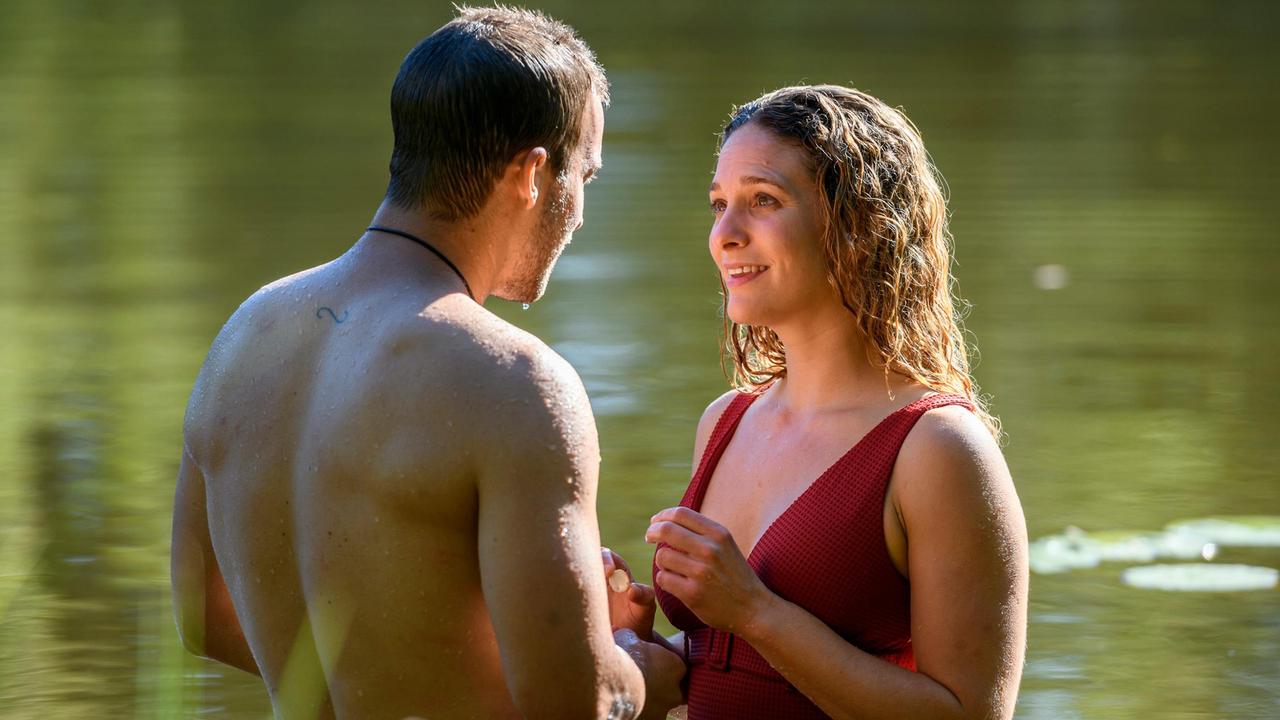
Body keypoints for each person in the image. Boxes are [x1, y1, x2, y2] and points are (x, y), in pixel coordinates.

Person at [169, 7, 684, 719]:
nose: (581, 213)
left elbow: (202, 616)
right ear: (532, 174)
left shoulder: (246, 333)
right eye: (585, 176)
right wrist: (641, 664)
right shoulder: (514, 381)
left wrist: (389, 664)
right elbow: (579, 702)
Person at [607, 85, 1029, 719]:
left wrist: (753, 610)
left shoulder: (937, 448)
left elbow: (970, 713)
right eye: (719, 205)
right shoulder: (725, 421)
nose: (725, 234)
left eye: (763, 201)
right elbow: (737, 665)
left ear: (857, 226)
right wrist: (643, 651)